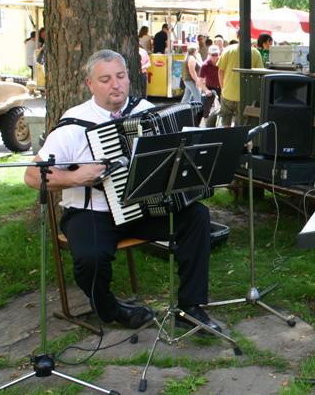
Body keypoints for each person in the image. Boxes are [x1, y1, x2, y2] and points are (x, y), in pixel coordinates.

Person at [24, 49, 220, 332]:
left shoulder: (146, 112)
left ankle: (191, 307)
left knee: (197, 217)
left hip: (142, 210)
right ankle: (110, 309)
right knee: (90, 259)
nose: (115, 84)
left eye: (120, 76)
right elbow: (32, 176)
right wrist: (76, 176)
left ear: (130, 78)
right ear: (90, 84)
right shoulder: (73, 123)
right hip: (92, 212)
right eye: (105, 79)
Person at [217, 40, 264, 127]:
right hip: (245, 95)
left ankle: (225, 139)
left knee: (225, 122)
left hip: (227, 93)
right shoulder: (255, 53)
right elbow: (259, 75)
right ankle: (237, 139)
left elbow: (220, 71)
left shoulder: (227, 50)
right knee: (240, 124)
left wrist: (223, 89)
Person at [199, 45, 222, 126]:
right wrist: (206, 90)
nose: (215, 57)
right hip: (209, 87)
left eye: (217, 54)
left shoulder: (222, 62)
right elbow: (200, 81)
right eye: (213, 55)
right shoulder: (205, 65)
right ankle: (206, 126)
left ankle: (222, 126)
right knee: (205, 108)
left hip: (221, 87)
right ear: (209, 54)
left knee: (225, 108)